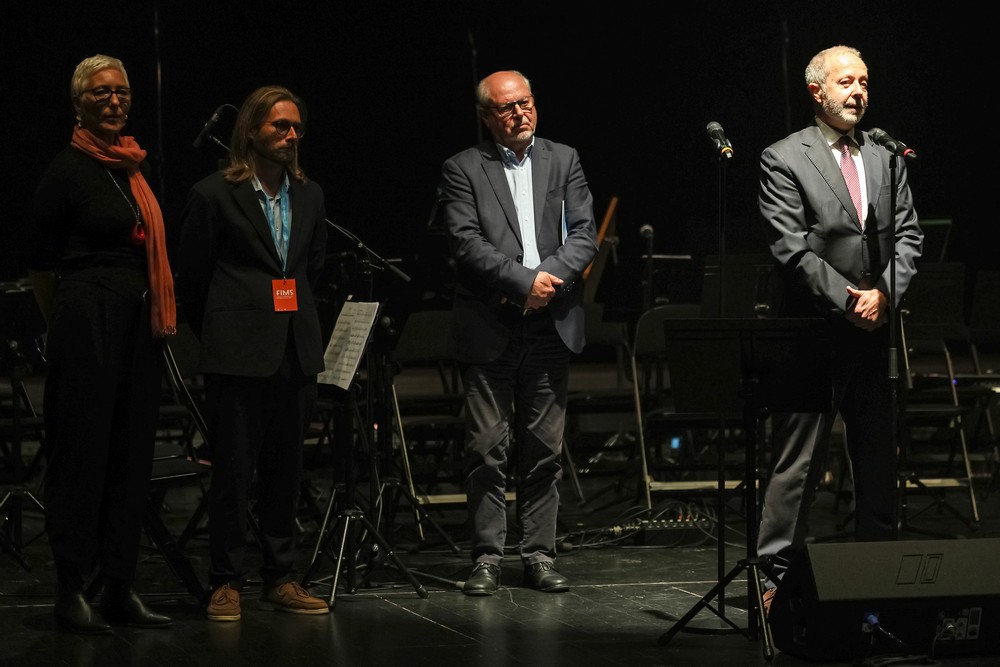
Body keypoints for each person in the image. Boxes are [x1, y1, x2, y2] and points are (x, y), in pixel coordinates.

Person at [756, 45, 924, 611]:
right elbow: (791, 249)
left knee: (876, 454)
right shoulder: (783, 158)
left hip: (874, 329)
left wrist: (885, 294)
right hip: (811, 331)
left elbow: (909, 235)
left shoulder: (883, 154)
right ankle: (774, 580)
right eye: (847, 82)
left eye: (865, 82)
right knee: (796, 462)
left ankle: (878, 575)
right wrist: (850, 300)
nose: (859, 92)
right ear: (817, 91)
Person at [26, 54, 176, 634]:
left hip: (137, 325)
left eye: (122, 92)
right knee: (82, 456)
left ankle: (118, 584)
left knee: (130, 456)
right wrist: (66, 320)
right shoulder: (66, 170)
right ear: (79, 103)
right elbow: (40, 265)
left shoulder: (132, 165)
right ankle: (71, 588)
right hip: (86, 318)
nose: (115, 101)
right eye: (102, 93)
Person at [439, 70, 599, 595]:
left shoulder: (564, 158)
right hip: (492, 321)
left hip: (551, 321)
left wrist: (547, 282)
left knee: (545, 450)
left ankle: (539, 555)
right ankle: (487, 557)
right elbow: (465, 243)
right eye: (506, 108)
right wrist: (524, 282)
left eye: (525, 103)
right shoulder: (463, 167)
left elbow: (584, 233)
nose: (519, 114)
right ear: (487, 116)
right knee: (487, 448)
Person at [175, 86, 330, 621]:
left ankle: (280, 577)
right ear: (251, 132)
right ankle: (225, 581)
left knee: (286, 473)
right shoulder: (214, 194)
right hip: (237, 354)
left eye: (296, 128)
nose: (290, 136)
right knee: (234, 474)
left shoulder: (309, 195)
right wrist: (225, 331)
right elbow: (191, 281)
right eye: (279, 126)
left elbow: (312, 270)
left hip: (295, 350)